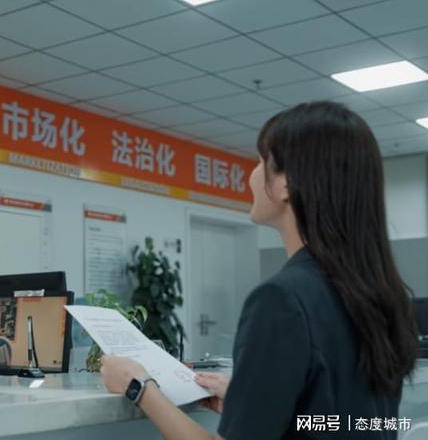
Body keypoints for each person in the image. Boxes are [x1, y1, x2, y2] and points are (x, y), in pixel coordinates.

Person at [101, 101, 419, 439]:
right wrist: (254, 405)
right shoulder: (381, 295)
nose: (251, 175)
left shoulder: (282, 300)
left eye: (260, 161)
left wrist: (140, 387)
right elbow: (349, 419)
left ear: (287, 184)